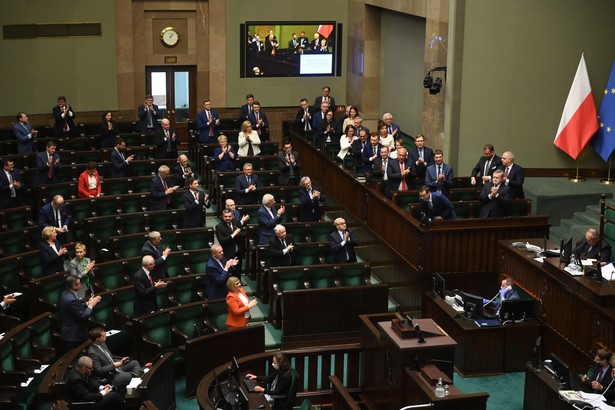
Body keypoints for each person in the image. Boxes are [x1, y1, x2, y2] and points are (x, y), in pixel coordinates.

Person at [87, 327, 142, 393]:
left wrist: (121, 360)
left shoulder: (103, 343)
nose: (106, 336)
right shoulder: (92, 352)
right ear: (98, 339)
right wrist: (113, 365)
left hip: (116, 368)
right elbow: (98, 370)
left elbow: (110, 357)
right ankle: (139, 388)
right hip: (110, 376)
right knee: (130, 375)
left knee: (134, 363)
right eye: (103, 336)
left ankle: (139, 385)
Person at [60, 276, 101, 349]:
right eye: (79, 284)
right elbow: (83, 315)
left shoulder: (66, 293)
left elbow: (77, 306)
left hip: (73, 331)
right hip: (74, 335)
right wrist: (91, 305)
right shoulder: (71, 299)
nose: (81, 285)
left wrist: (88, 303)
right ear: (74, 286)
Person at [215, 209, 246, 276]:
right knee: (229, 274)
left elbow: (244, 234)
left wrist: (238, 234)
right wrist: (233, 235)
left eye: (229, 216)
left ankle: (238, 282)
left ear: (232, 216)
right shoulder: (219, 227)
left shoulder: (237, 222)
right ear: (222, 217)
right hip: (228, 254)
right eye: (225, 216)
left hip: (238, 252)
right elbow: (222, 241)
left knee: (238, 271)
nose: (228, 218)